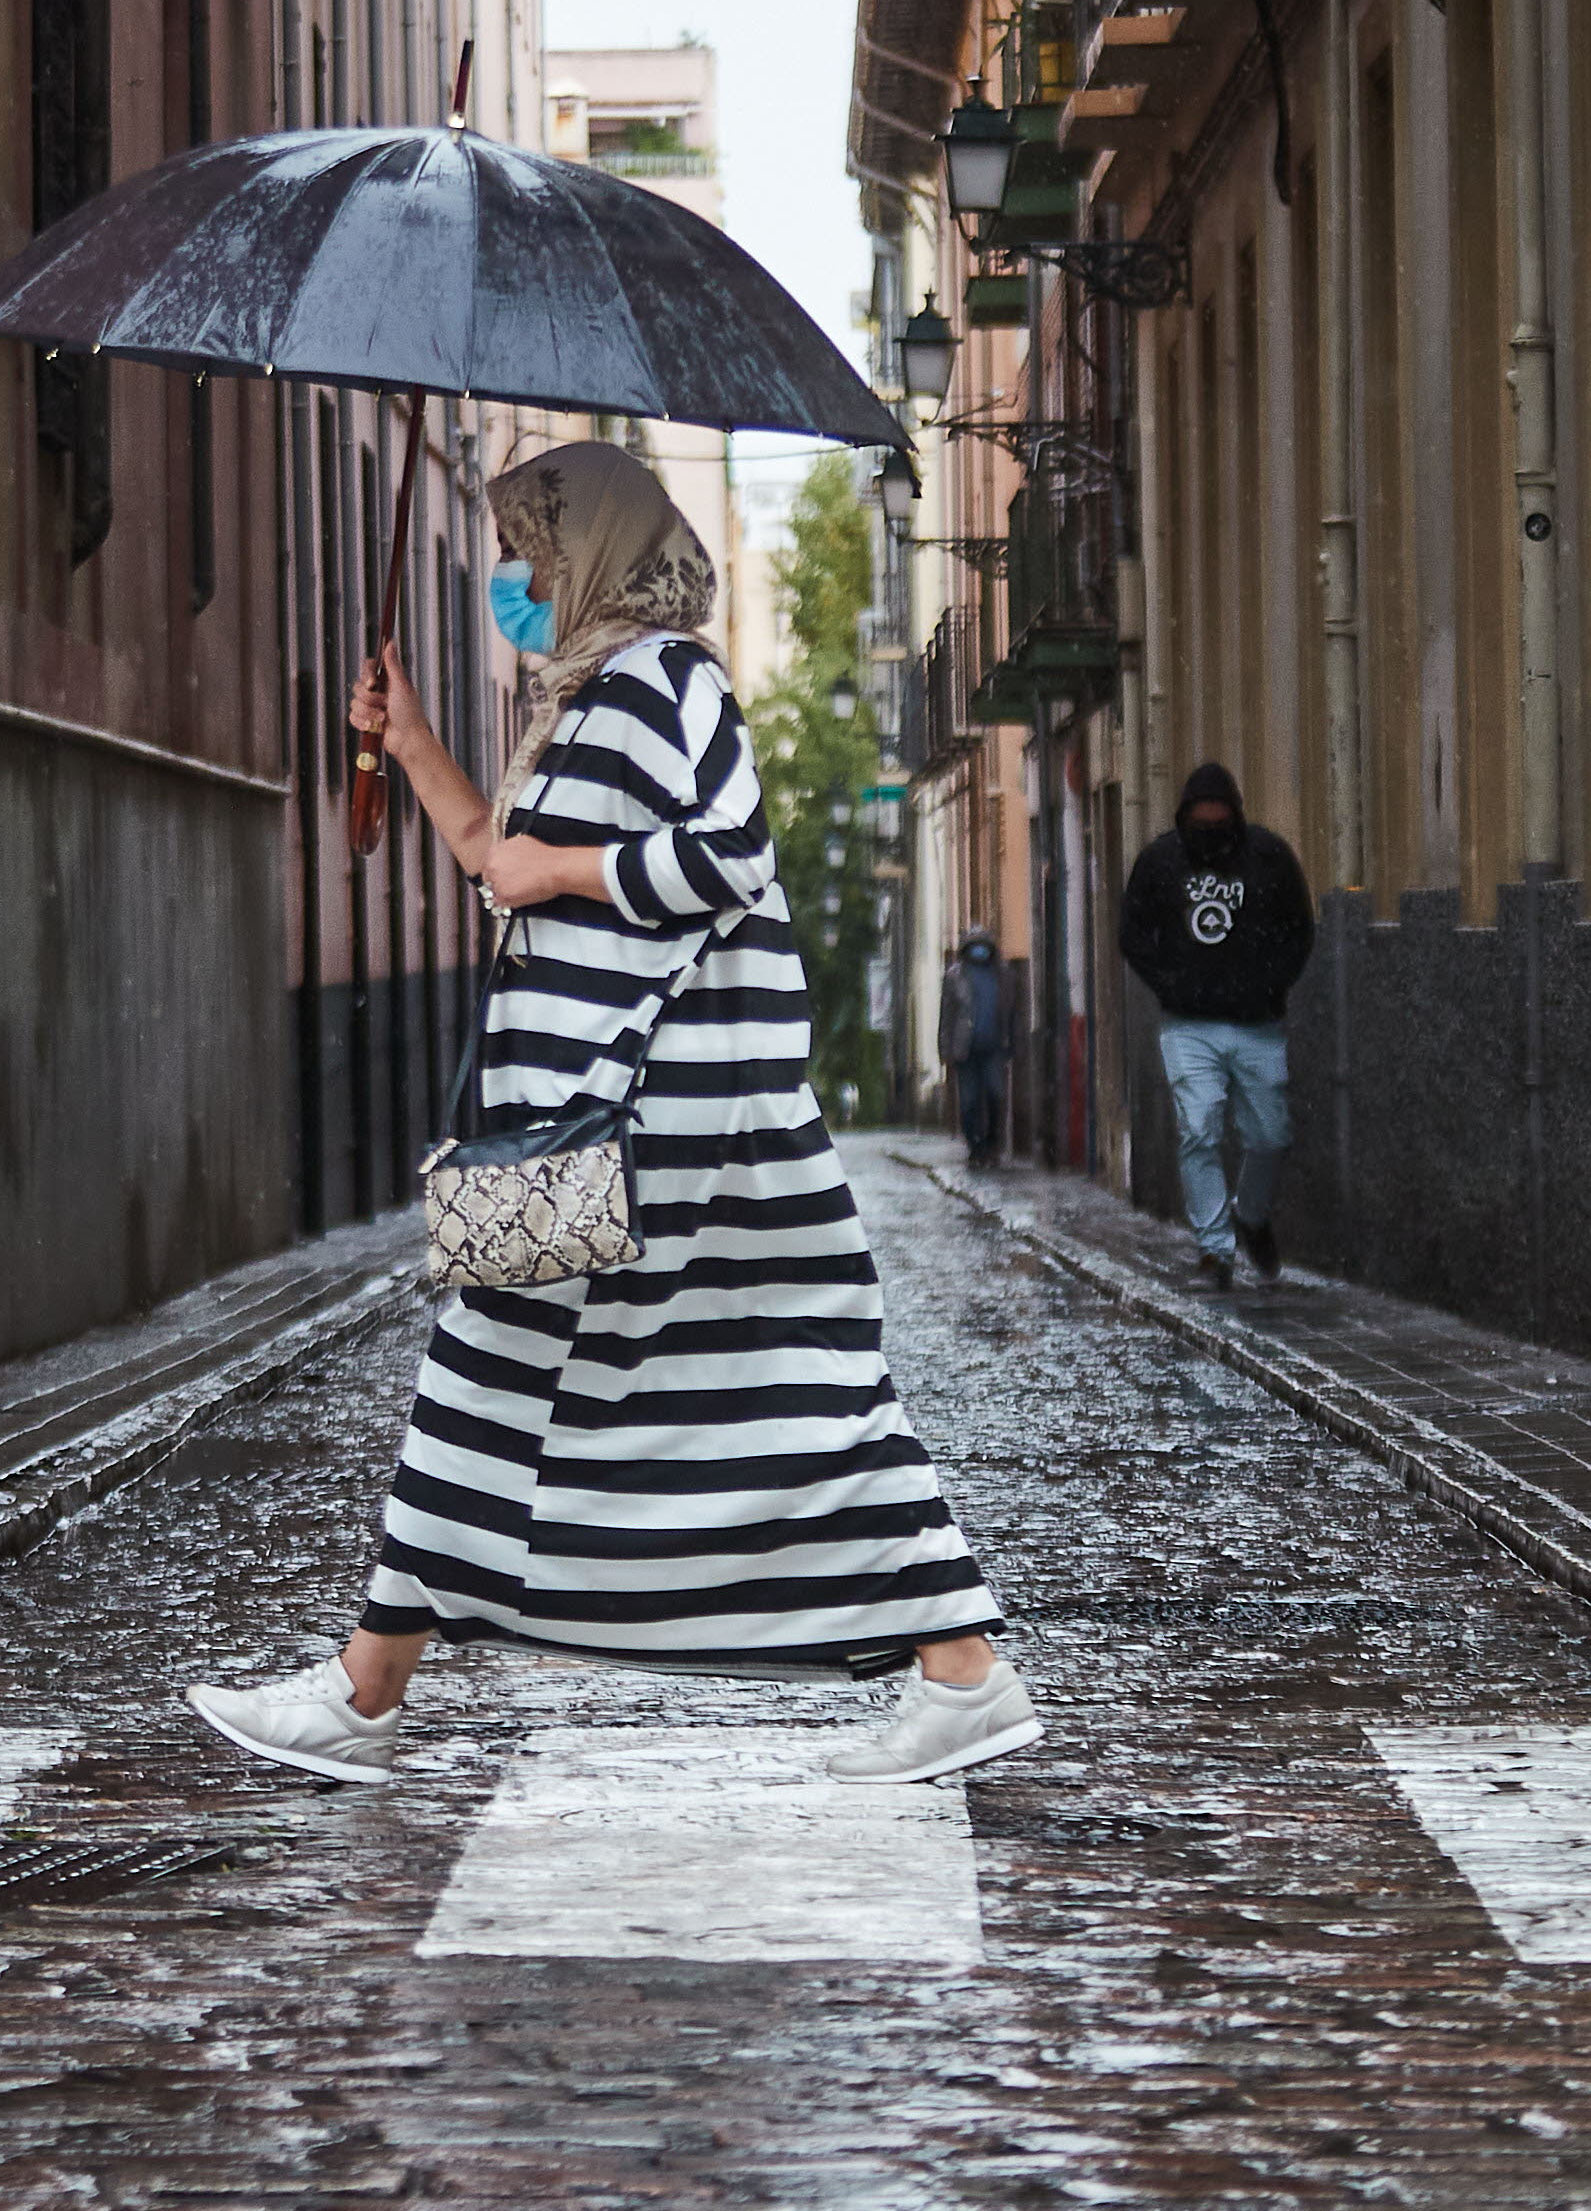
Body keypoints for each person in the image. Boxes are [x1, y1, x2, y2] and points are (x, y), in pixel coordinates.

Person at [186, 440, 1036, 1789]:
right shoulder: (583, 703)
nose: (511, 581)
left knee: (514, 1361)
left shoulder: (664, 680)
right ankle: (961, 1675)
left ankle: (365, 1691)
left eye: (528, 554)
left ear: (590, 556)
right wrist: (409, 745)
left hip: (666, 1120)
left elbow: (726, 855)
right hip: (615, 1115)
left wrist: (558, 859)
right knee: (785, 1382)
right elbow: (497, 868)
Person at [1116, 761, 1315, 1290]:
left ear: (1234, 814)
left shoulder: (1268, 857)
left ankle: (1251, 1215)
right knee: (1198, 1128)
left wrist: (1270, 983)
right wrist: (1172, 985)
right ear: (1184, 816)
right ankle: (1214, 1250)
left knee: (1271, 1134)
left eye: (1218, 816)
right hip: (1188, 1028)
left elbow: (1299, 927)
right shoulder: (1160, 862)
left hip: (1258, 1024)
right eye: (1200, 817)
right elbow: (1132, 933)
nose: (1209, 825)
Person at [938, 932, 1011, 1166]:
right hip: (965, 1049)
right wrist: (945, 1048)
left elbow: (1012, 1013)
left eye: (983, 946)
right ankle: (975, 1146)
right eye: (974, 947)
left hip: (994, 1048)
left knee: (995, 1095)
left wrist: (1012, 1042)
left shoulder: (1003, 975)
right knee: (969, 1101)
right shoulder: (954, 977)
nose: (979, 951)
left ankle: (992, 1144)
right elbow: (947, 1015)